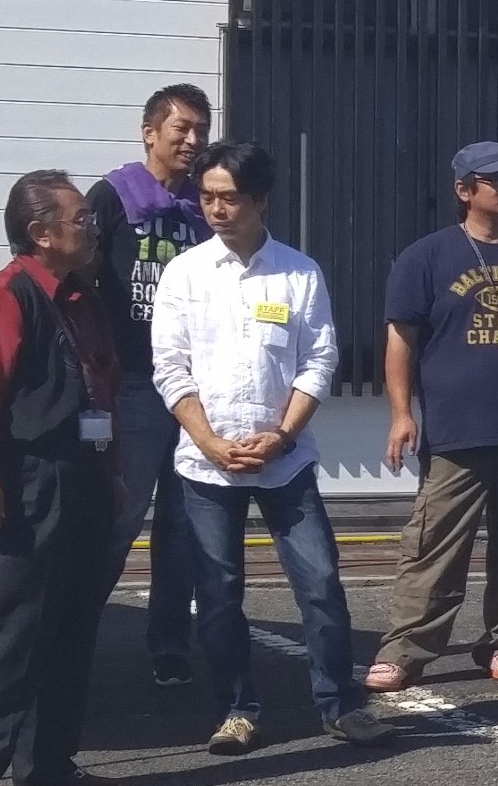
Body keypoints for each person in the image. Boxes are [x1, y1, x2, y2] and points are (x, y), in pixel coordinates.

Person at [151, 139, 396, 753]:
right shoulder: (184, 273)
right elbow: (169, 366)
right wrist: (208, 440)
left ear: (260, 200)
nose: (216, 209)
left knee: (320, 580)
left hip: (286, 460)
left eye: (230, 198)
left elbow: (319, 360)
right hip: (205, 465)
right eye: (207, 197)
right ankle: (236, 710)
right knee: (217, 593)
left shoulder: (298, 272)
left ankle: (340, 704)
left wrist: (282, 433)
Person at [0, 171, 124, 786]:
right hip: (28, 478)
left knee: (72, 622)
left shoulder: (82, 296)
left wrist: (112, 467)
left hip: (84, 472)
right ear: (41, 233)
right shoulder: (4, 297)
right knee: (14, 625)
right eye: (80, 219)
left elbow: (101, 384)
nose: (91, 228)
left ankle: (49, 763)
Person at [362, 142, 498, 692]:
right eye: (496, 180)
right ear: (464, 190)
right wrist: (401, 413)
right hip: (456, 432)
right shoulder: (425, 256)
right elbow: (400, 340)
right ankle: (406, 649)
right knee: (434, 545)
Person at [87, 83, 213, 687]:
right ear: (149, 132)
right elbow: (82, 281)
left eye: (200, 131)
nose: (192, 140)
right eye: (181, 128)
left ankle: (169, 646)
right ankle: (74, 631)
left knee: (183, 522)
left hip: (192, 385)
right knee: (121, 512)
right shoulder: (111, 197)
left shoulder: (206, 204)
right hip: (133, 381)